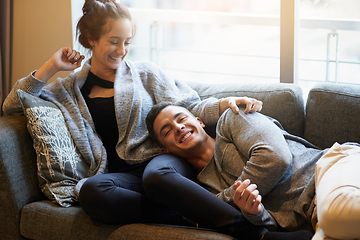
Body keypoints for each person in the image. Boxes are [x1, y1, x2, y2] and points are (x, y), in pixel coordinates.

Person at [2, 0, 267, 229]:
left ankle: (246, 229)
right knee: (91, 192)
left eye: (127, 42)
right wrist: (51, 66)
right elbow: (12, 106)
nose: (121, 50)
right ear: (91, 40)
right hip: (121, 180)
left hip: (164, 166)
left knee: (156, 177)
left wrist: (226, 103)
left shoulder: (145, 74)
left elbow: (188, 107)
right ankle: (187, 217)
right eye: (114, 42)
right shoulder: (66, 90)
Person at [145, 102, 360, 240]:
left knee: (335, 215)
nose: (178, 127)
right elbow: (273, 227)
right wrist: (255, 213)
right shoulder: (204, 193)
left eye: (181, 118)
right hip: (314, 218)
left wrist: (224, 198)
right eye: (167, 131)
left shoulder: (231, 118)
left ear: (199, 121)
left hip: (331, 169)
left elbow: (275, 157)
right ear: (165, 149)